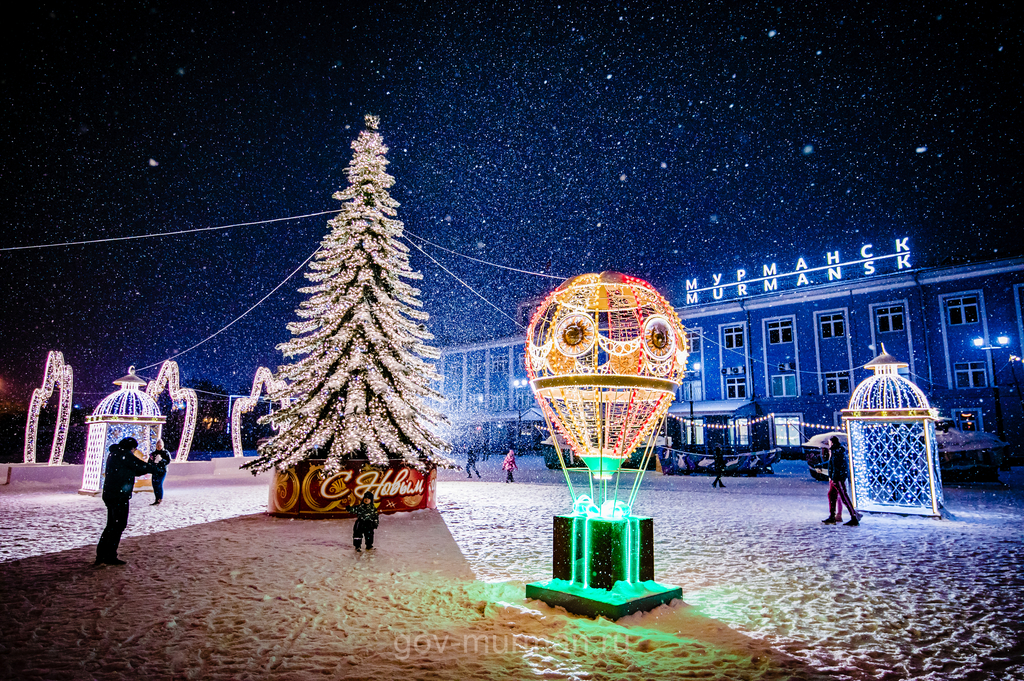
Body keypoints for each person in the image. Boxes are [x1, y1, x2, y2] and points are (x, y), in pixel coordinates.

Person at [95, 437, 163, 566]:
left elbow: (134, 469)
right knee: (117, 525)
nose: (134, 451)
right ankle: (108, 555)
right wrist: (155, 466)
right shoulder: (124, 454)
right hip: (119, 495)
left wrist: (148, 467)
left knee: (112, 525)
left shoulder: (115, 453)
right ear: (131, 447)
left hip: (111, 494)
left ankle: (103, 555)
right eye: (134, 448)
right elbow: (140, 466)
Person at [823, 436, 860, 526]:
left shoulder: (837, 452)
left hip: (837, 478)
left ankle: (854, 517)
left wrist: (835, 477)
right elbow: (831, 464)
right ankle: (832, 516)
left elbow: (837, 466)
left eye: (829, 442)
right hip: (835, 478)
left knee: (843, 496)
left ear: (832, 442)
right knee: (831, 495)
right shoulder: (836, 451)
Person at [150, 439, 172, 505]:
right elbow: (149, 462)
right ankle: (157, 499)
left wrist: (161, 460)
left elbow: (168, 461)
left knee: (159, 484)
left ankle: (159, 499)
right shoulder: (153, 453)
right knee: (154, 485)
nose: (159, 447)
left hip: (162, 471)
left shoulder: (165, 453)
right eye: (158, 445)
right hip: (155, 471)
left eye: (160, 445)